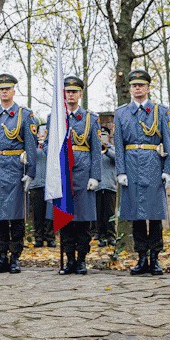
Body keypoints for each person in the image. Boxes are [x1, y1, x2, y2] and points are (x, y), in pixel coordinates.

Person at [113, 69, 170, 276]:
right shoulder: (121, 113)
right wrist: (120, 171)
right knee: (136, 214)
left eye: (141, 85)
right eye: (134, 85)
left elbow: (169, 142)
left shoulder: (161, 111)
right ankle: (141, 258)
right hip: (130, 164)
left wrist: (168, 170)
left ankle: (156, 258)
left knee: (155, 213)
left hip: (152, 164)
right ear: (130, 88)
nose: (137, 88)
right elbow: (119, 145)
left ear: (148, 88)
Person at [0, 73, 37, 274]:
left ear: (14, 90)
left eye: (8, 88)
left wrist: (30, 172)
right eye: (1, 89)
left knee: (15, 216)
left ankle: (15, 257)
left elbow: (31, 145)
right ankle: (2, 256)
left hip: (15, 168)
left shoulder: (25, 114)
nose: (4, 92)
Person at [46, 75, 101, 275]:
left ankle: (82, 260)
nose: (70, 95)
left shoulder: (90, 119)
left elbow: (96, 149)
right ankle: (69, 260)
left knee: (83, 221)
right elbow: (47, 145)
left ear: (80, 94)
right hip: (63, 175)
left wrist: (95, 176)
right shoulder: (55, 117)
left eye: (74, 91)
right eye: (67, 91)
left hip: (83, 174)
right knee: (66, 220)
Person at [30, 123, 54, 247]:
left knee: (50, 213)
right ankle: (38, 237)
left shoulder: (50, 146)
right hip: (36, 184)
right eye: (40, 131)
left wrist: (45, 144)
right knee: (38, 214)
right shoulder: (33, 146)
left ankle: (50, 237)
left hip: (49, 184)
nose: (42, 134)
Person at [94, 126, 118, 247]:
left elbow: (117, 160)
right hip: (97, 187)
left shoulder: (113, 149)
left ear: (108, 137)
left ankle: (111, 236)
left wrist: (107, 150)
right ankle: (101, 237)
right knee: (99, 213)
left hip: (110, 186)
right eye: (100, 135)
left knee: (110, 213)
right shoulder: (95, 151)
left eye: (105, 135)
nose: (103, 137)